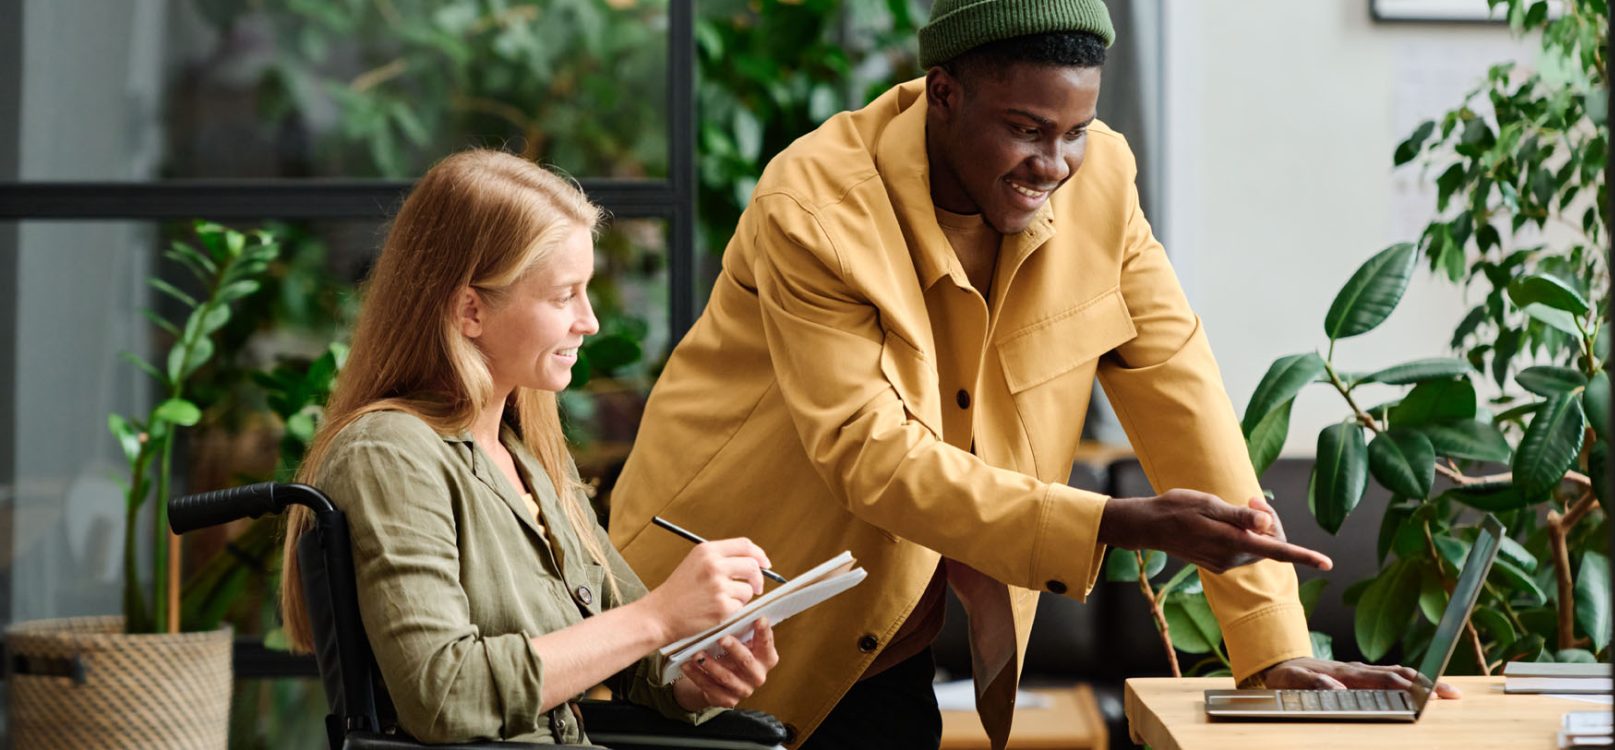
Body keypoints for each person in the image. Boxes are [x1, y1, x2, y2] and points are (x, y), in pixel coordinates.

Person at [609, 2, 1459, 747]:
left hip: (883, 649)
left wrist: (1276, 645)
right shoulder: (814, 208)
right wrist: (1120, 522)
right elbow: (871, 456)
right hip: (708, 627)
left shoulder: (1103, 184)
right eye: (1026, 129)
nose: (1053, 166)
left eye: (1075, 132)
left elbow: (1179, 390)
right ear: (944, 93)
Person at [276, 149, 781, 745]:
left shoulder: (529, 454)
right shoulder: (389, 454)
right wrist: (659, 617)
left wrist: (693, 676)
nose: (589, 321)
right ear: (471, 310)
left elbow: (633, 653)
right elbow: (444, 697)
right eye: (564, 296)